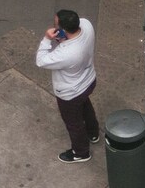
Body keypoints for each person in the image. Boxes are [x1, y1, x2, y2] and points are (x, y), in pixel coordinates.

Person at [36, 9, 99, 164]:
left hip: (70, 93)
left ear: (63, 30)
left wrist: (46, 39)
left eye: (55, 24)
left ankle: (81, 152)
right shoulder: (87, 25)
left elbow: (41, 60)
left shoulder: (67, 54)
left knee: (74, 123)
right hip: (88, 80)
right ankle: (93, 133)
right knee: (85, 107)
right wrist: (63, 39)